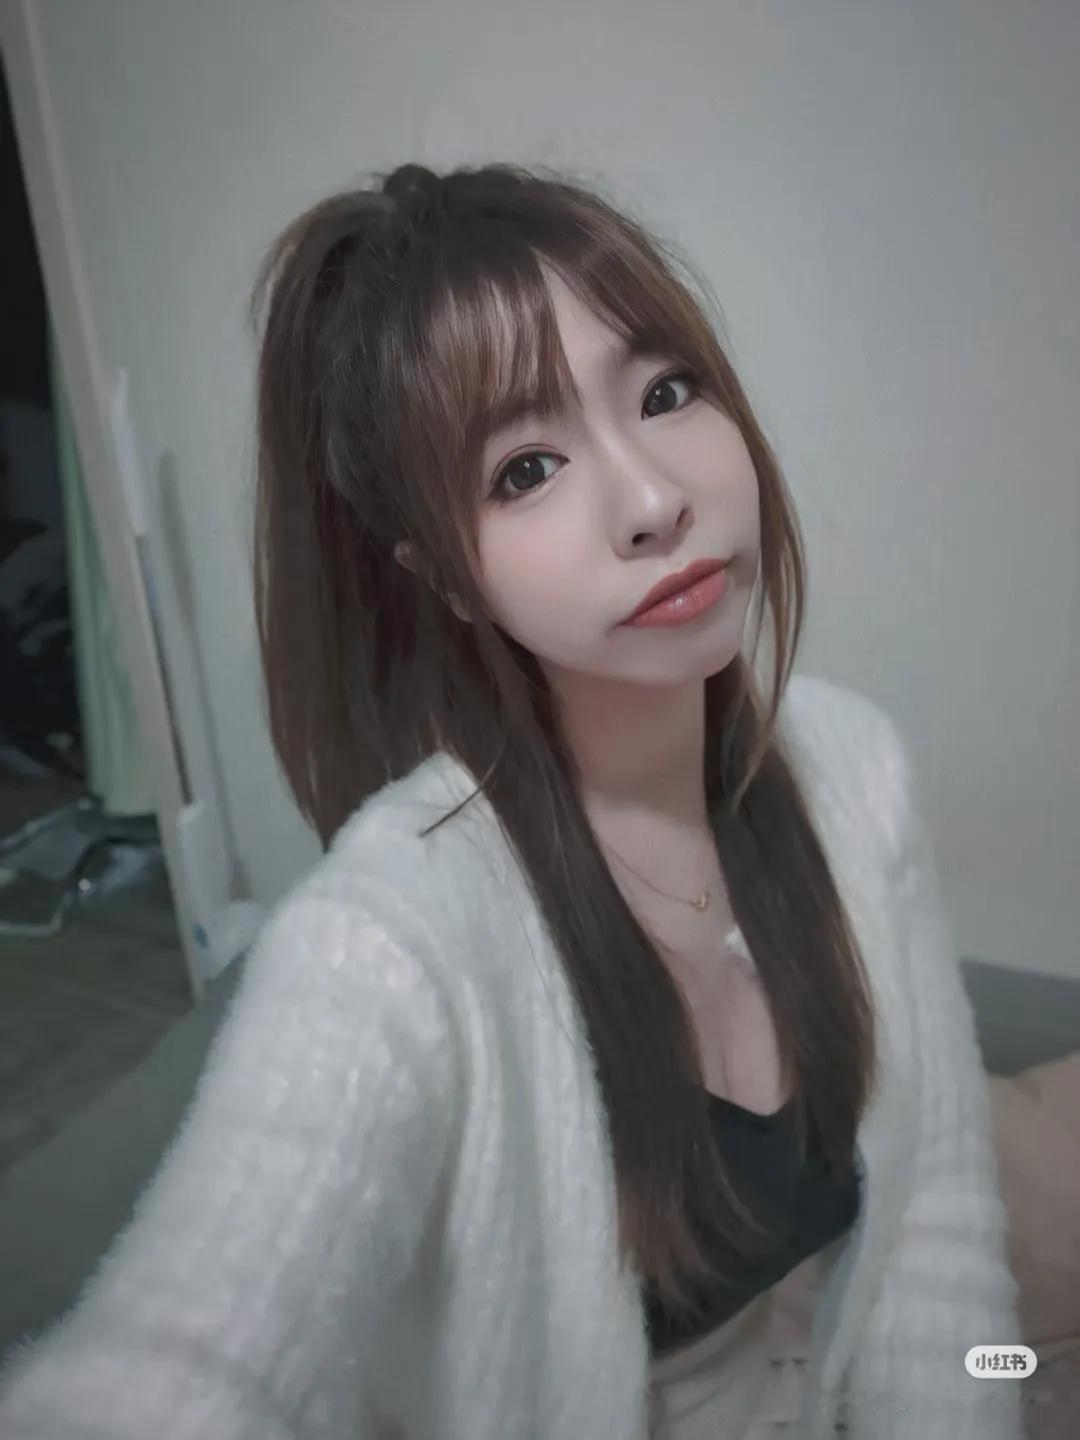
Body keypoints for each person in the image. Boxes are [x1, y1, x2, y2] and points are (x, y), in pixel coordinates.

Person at [0, 161, 1021, 1439]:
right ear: (443, 576)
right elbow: (173, 1375)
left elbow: (941, 1231)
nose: (653, 501)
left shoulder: (854, 768)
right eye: (526, 469)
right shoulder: (388, 943)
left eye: (665, 393)